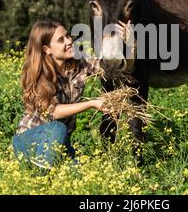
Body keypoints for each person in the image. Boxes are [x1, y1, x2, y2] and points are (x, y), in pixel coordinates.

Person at [12, 19, 134, 169]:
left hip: (61, 142)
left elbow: (113, 70)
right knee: (57, 128)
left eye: (68, 36)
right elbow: (52, 112)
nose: (69, 41)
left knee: (80, 174)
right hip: (29, 141)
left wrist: (129, 46)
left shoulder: (79, 62)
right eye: (61, 40)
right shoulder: (39, 74)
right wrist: (92, 103)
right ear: (47, 49)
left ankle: (46, 175)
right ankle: (38, 178)